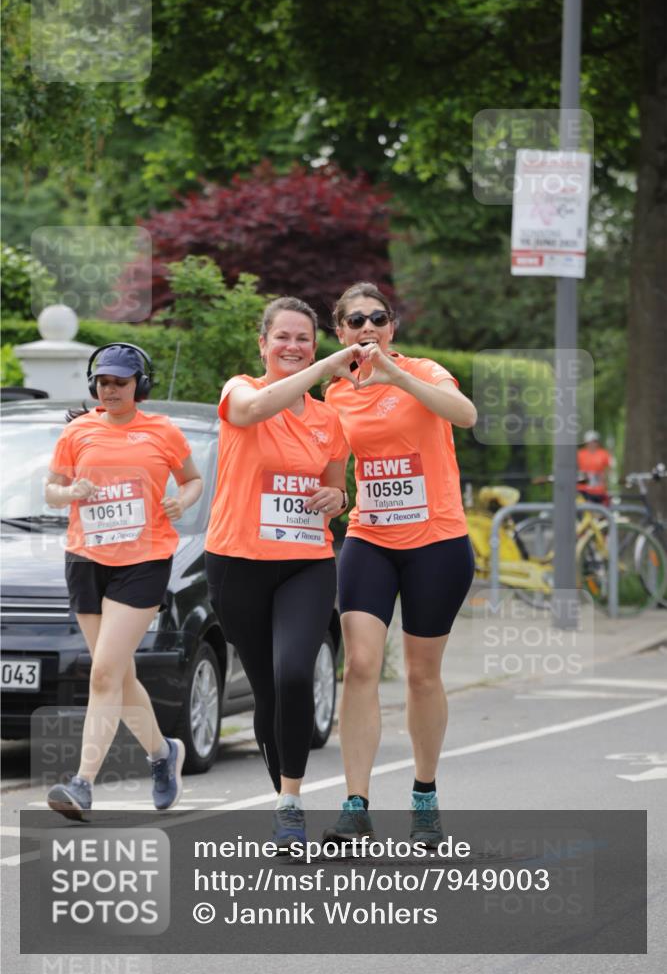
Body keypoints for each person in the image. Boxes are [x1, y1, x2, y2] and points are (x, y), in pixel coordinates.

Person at [204, 297, 363, 848]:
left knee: (296, 672)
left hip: (306, 561)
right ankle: (284, 800)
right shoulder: (239, 390)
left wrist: (335, 497)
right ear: (263, 343)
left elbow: (338, 489)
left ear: (314, 346)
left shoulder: (329, 420)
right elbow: (250, 413)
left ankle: (291, 800)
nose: (294, 347)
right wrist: (325, 370)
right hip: (238, 562)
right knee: (269, 690)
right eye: (284, 337)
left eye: (304, 339)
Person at [322, 282, 477, 848]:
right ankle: (356, 804)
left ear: (392, 327)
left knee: (420, 673)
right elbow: (334, 476)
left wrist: (397, 376)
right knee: (360, 663)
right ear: (339, 331)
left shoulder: (424, 370)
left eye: (378, 319)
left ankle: (425, 795)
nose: (368, 329)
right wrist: (330, 498)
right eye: (356, 320)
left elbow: (465, 415)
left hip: (437, 540)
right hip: (370, 537)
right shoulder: (335, 394)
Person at [44, 343, 203, 820]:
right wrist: (71, 491)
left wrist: (183, 500)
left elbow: (192, 479)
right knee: (119, 673)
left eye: (120, 382)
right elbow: (52, 490)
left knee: (104, 673)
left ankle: (82, 783)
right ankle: (163, 754)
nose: (110, 389)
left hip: (144, 561)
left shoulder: (162, 431)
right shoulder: (78, 430)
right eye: (103, 382)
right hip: (86, 559)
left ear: (140, 386)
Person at [577, 430, 612, 506]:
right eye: (590, 442)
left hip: (599, 490)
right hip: (583, 489)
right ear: (586, 443)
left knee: (599, 512)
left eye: (594, 441)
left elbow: (608, 469)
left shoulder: (604, 454)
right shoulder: (580, 454)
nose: (592, 444)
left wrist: (605, 478)